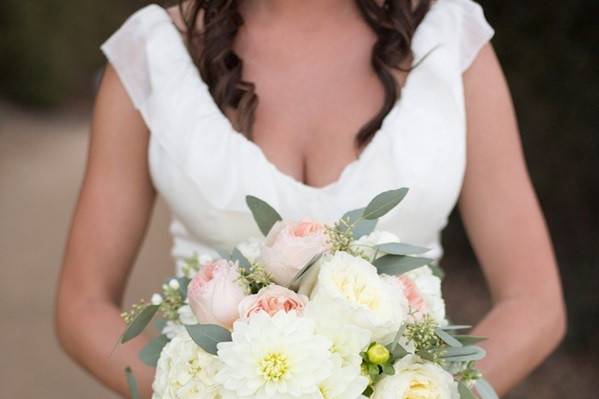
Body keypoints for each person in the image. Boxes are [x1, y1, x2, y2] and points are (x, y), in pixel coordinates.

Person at [55, 0, 566, 397]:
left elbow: (534, 302)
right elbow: (82, 304)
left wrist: (433, 395)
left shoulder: (451, 40)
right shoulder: (152, 52)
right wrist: (196, 394)